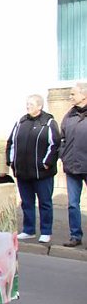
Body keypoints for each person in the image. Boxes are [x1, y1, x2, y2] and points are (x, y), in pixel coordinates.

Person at [6, 94, 60, 244]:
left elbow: (55, 144)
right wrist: (11, 161)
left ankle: (46, 231)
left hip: (42, 173)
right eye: (27, 103)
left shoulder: (48, 122)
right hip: (23, 172)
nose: (27, 106)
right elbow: (11, 142)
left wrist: (46, 163)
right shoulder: (21, 122)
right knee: (27, 202)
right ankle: (29, 230)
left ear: (40, 106)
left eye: (31, 104)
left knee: (45, 203)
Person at [59, 82, 87, 247]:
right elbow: (62, 138)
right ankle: (75, 236)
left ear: (84, 95)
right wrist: (63, 155)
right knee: (72, 204)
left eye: (73, 94)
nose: (70, 97)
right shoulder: (69, 115)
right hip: (72, 166)